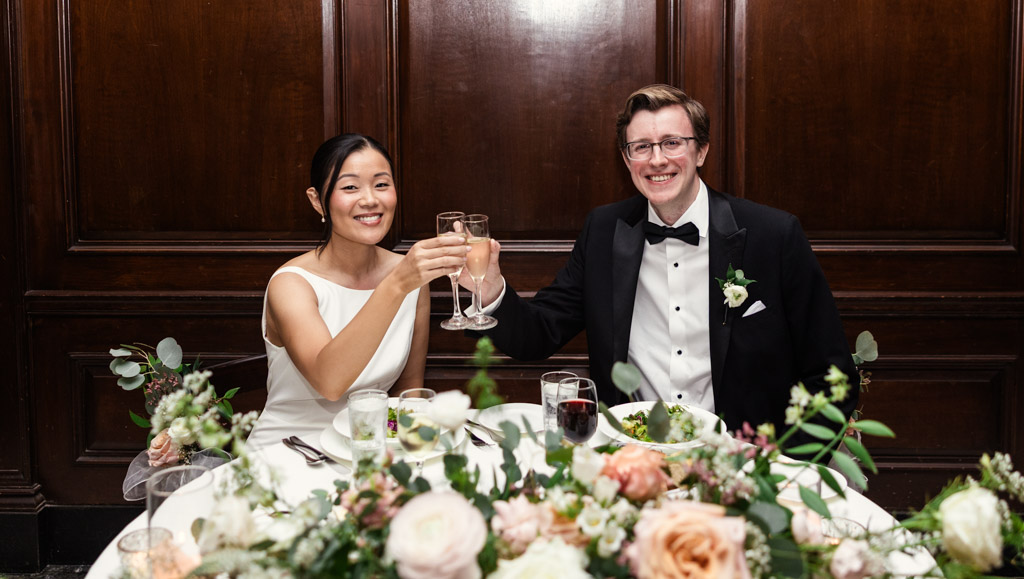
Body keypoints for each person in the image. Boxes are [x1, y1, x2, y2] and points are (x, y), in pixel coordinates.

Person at [466, 84, 859, 435]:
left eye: (672, 142)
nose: (657, 160)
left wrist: (780, 468)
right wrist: (489, 290)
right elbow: (539, 334)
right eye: (642, 147)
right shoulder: (604, 231)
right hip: (633, 456)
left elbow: (832, 375)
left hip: (740, 463)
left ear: (701, 150)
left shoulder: (773, 235)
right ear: (627, 159)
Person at [246, 134, 467, 449]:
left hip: (367, 451)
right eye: (350, 187)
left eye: (381, 184)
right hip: (290, 450)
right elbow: (331, 383)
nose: (370, 200)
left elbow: (409, 393)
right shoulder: (292, 284)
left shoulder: (410, 276)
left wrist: (403, 456)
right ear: (316, 200)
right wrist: (397, 283)